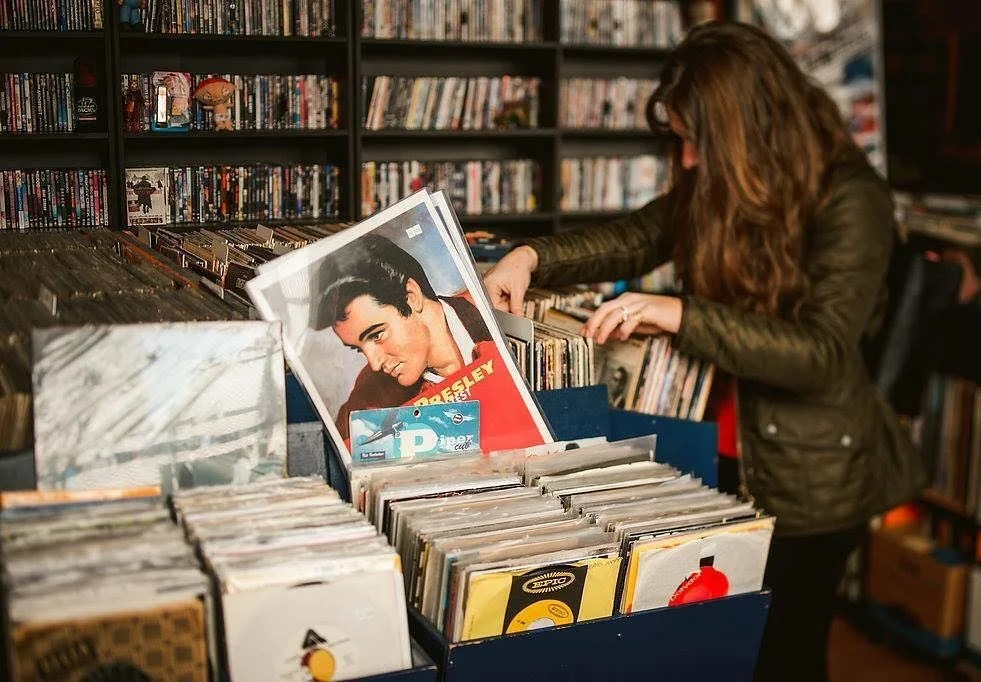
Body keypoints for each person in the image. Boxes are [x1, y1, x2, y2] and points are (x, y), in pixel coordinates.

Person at [483, 21, 926, 682]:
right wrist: (530, 254)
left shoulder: (851, 200)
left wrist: (679, 312)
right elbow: (637, 238)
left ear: (748, 129)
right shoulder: (721, 182)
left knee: (781, 660)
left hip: (809, 485)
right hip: (712, 454)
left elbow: (823, 354)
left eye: (698, 143)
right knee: (706, 651)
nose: (687, 162)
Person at [311, 234, 496, 439]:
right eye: (359, 348)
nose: (374, 364)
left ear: (411, 297)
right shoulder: (369, 397)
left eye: (377, 335)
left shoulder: (493, 312)